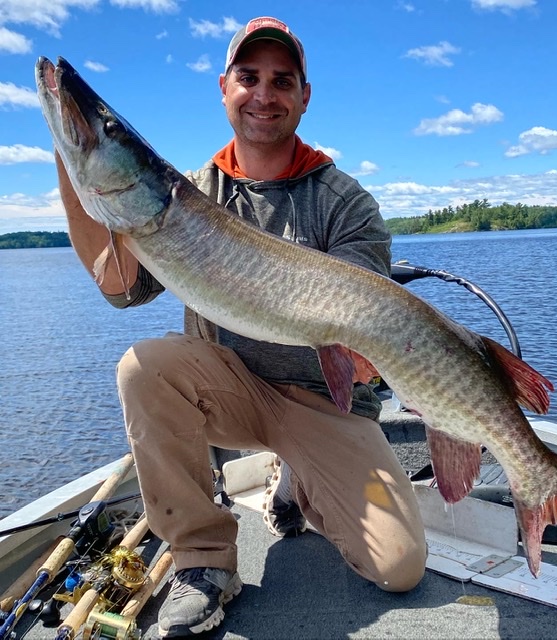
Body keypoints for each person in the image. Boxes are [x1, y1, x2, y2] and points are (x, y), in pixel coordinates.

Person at [56, 15, 426, 638]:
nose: (264, 94)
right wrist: (74, 164)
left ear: (304, 97)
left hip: (325, 404)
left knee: (400, 567)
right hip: (229, 391)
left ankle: (296, 477)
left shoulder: (345, 202)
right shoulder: (187, 193)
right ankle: (203, 560)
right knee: (144, 368)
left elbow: (362, 313)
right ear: (224, 88)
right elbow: (120, 290)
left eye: (283, 81)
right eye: (249, 77)